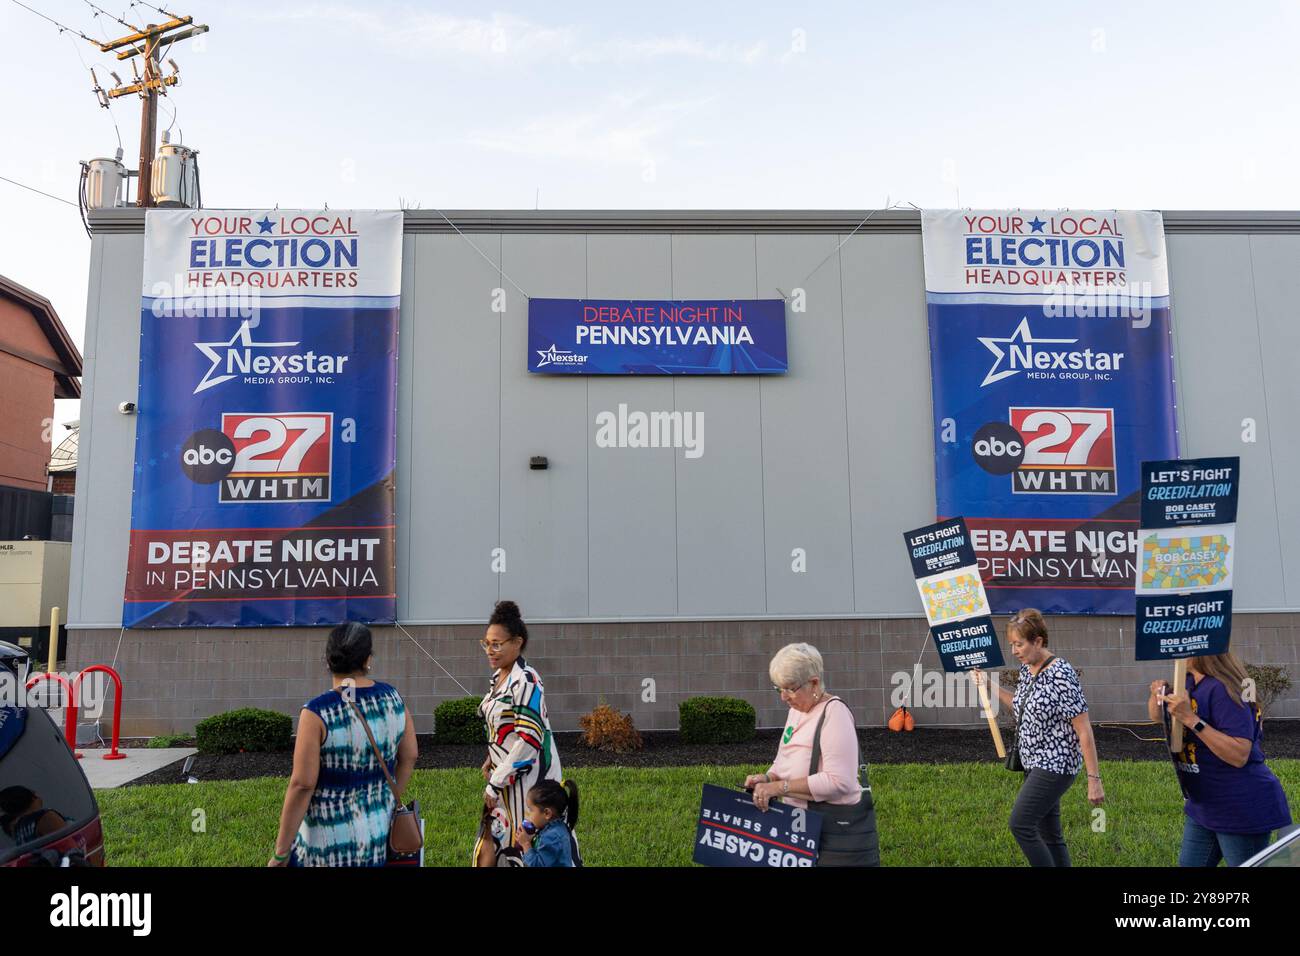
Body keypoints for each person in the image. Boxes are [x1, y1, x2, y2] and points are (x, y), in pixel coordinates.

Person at [268, 622, 417, 867]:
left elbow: (302, 784)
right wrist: (387, 801)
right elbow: (410, 755)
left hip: (324, 845)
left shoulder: (317, 712)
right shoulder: (393, 698)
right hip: (377, 837)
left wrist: (281, 853)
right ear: (368, 660)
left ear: (328, 661)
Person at [973, 609, 1104, 867]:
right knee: (1050, 836)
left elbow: (1084, 729)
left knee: (1020, 824)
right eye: (1011, 644)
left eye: (1019, 644)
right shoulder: (1028, 669)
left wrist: (1094, 780)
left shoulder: (1061, 674)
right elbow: (1020, 705)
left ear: (1039, 641)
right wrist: (988, 684)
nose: (1014, 651)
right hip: (1033, 763)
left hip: (1055, 765)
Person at [1149, 652, 1292, 866]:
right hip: (1203, 804)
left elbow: (1239, 754)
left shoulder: (1224, 689)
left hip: (1239, 806)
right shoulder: (1187, 682)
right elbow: (1158, 716)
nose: (1176, 651)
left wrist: (1191, 719)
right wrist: (1156, 696)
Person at [744, 642, 879, 866]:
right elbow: (783, 761)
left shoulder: (834, 714)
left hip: (834, 834)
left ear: (814, 683)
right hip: (800, 830)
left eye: (789, 688)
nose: (783, 697)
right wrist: (768, 778)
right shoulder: (796, 712)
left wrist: (779, 788)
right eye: (778, 688)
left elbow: (840, 782)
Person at [474, 600, 563, 867]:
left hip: (530, 786)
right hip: (507, 781)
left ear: (518, 642)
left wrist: (496, 782)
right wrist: (492, 755)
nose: (490, 650)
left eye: (497, 644)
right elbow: (506, 728)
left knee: (529, 850)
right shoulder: (501, 676)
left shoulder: (525, 680)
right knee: (495, 846)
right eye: (486, 643)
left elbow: (529, 740)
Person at [515, 779, 581, 867]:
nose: (528, 815)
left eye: (531, 810)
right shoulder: (555, 828)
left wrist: (526, 844)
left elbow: (537, 865)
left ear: (547, 813)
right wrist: (531, 840)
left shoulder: (553, 837)